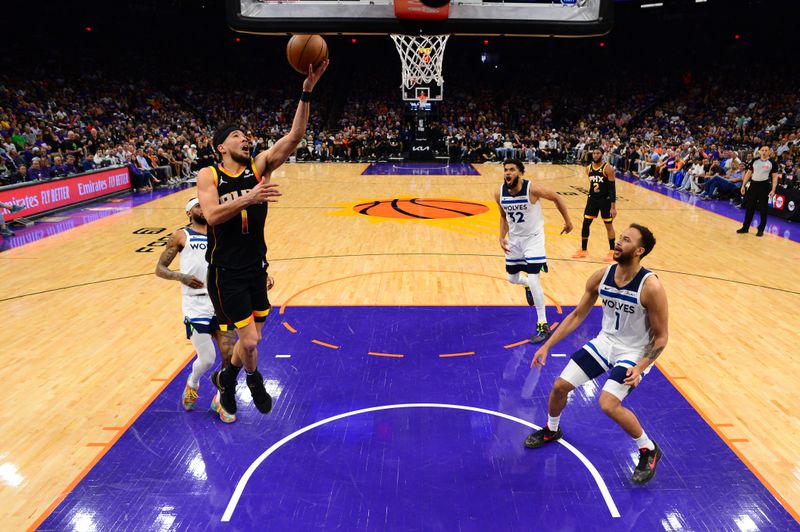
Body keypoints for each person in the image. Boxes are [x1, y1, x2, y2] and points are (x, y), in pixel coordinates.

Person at [197, 60, 329, 420]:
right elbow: (211, 216)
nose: (245, 138)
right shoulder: (208, 175)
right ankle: (253, 380)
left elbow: (294, 138)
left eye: (245, 136)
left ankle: (227, 377)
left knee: (249, 339)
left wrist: (307, 91)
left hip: (257, 267)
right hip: (227, 272)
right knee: (251, 342)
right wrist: (248, 198)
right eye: (237, 136)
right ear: (221, 147)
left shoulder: (258, 167)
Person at [524, 223, 668, 485]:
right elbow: (578, 315)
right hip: (605, 343)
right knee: (558, 387)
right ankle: (551, 430)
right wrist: (547, 346)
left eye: (626, 240)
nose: (618, 242)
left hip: (635, 352)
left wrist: (641, 366)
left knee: (608, 404)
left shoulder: (651, 287)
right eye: (619, 237)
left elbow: (661, 338)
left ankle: (648, 449)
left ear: (639, 250)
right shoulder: (601, 276)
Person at [155, 198, 274, 423]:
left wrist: (261, 276)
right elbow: (160, 269)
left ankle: (220, 398)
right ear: (188, 212)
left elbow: (245, 258)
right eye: (197, 206)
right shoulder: (181, 235)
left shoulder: (223, 231)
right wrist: (180, 276)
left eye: (204, 204)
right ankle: (193, 382)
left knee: (230, 355)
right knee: (208, 358)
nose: (202, 208)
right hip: (195, 303)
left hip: (223, 300)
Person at [495, 158, 573, 344]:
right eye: (506, 169)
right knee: (512, 279)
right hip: (515, 241)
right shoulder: (499, 193)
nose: (508, 173)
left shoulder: (532, 189)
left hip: (534, 239)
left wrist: (568, 221)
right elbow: (503, 217)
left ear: (520, 173)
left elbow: (556, 197)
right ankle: (526, 285)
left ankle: (542, 324)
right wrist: (500, 236)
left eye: (512, 169)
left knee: (534, 277)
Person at [573, 148, 617, 261]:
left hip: (605, 200)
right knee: (586, 223)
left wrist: (613, 207)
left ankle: (612, 251)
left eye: (598, 153)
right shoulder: (588, 169)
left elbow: (612, 189)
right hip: (592, 199)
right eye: (594, 153)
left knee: (608, 225)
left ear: (602, 154)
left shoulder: (608, 168)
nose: (595, 155)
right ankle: (583, 250)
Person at [736, 146, 780, 236]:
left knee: (763, 208)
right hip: (753, 185)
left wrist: (773, 189)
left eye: (766, 150)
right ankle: (745, 227)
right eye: (762, 150)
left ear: (769, 152)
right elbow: (748, 173)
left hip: (764, 186)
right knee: (749, 207)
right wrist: (743, 185)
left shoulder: (772, 163)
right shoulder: (754, 161)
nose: (764, 152)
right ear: (760, 152)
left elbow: (775, 177)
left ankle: (761, 230)